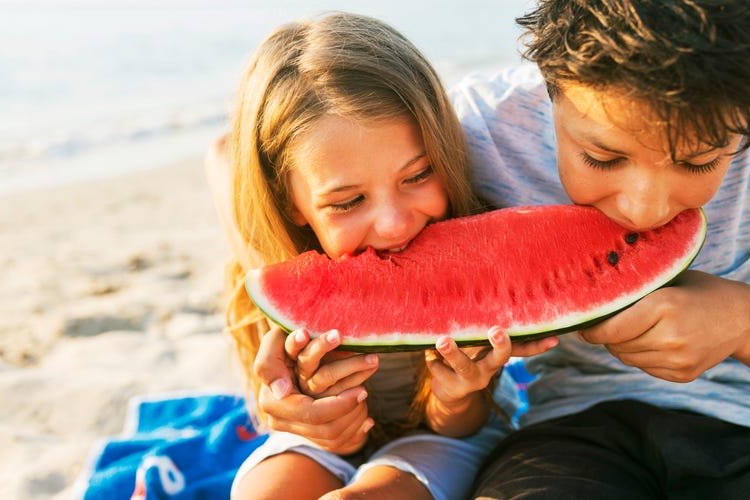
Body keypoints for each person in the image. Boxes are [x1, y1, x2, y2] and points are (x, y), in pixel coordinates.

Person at [254, 1, 750, 497]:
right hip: (574, 428)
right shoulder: (475, 135)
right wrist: (293, 389)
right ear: (548, 75)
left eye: (700, 161)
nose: (646, 210)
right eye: (602, 157)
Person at [204, 11, 558, 499]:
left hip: (447, 433)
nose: (394, 223)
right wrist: (301, 411)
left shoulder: (473, 246)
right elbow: (222, 155)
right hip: (318, 441)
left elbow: (460, 425)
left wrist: (458, 395)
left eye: (417, 176)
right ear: (290, 202)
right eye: (348, 202)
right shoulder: (272, 251)